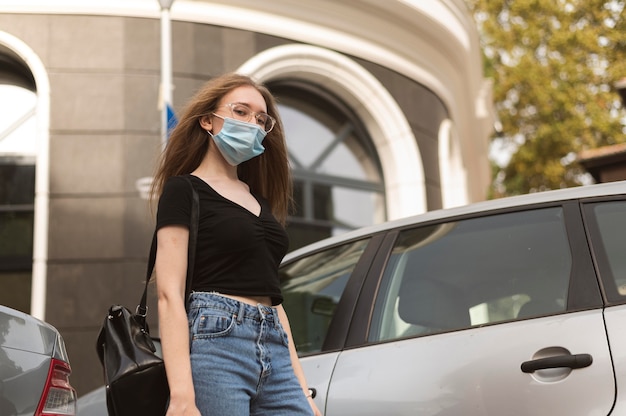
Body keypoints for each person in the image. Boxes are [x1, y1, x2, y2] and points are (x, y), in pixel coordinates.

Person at [150, 73, 322, 416]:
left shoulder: (258, 200)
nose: (253, 124)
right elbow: (169, 293)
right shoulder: (184, 190)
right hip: (216, 340)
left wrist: (304, 391)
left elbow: (273, 297)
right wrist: (182, 395)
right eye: (241, 112)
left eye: (261, 119)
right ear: (208, 121)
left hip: (273, 340)